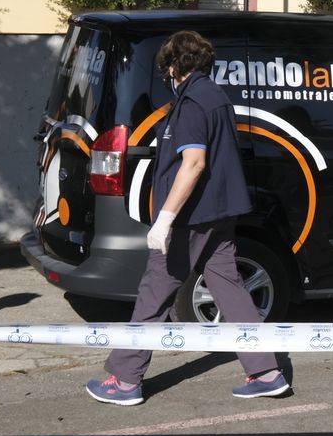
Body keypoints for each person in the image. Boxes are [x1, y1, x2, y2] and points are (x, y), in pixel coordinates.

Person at [86, 30, 287, 406]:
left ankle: (125, 379)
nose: (168, 79)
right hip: (217, 213)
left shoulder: (194, 102)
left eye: (168, 71)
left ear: (176, 65)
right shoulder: (216, 97)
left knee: (154, 291)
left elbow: (193, 164)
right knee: (229, 285)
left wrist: (164, 220)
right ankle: (266, 372)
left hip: (191, 217)